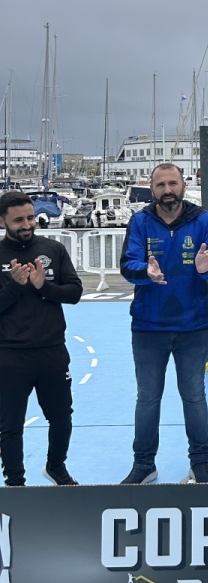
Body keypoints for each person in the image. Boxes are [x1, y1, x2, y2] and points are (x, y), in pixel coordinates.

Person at [119, 163, 208, 485]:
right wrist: (146, 272)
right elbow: (128, 264)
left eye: (173, 183)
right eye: (161, 185)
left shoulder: (203, 220)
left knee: (194, 397)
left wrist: (206, 268)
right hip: (148, 327)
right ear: (152, 189)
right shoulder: (140, 221)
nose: (167, 190)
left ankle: (200, 462)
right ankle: (144, 464)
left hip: (192, 327)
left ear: (183, 185)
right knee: (147, 398)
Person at [0, 191, 83, 487]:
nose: (26, 225)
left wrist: (43, 286)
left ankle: (56, 467)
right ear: (2, 221)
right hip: (10, 355)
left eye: (30, 218)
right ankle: (15, 482)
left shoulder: (53, 249)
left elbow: (74, 292)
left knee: (61, 417)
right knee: (10, 424)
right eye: (18, 220)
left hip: (52, 351)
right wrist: (14, 285)